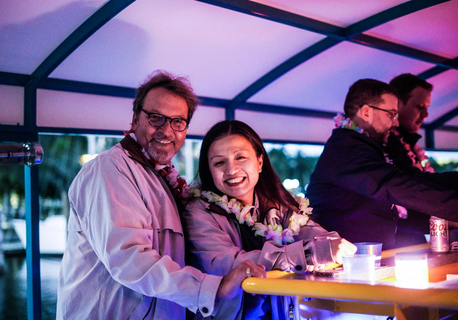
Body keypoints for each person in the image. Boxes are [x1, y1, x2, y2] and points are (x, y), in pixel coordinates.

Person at [56, 71, 266, 319]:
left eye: (178, 121)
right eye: (156, 118)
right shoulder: (110, 170)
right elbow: (130, 259)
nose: (167, 131)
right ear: (135, 119)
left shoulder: (162, 179)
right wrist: (214, 288)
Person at [183, 120, 356, 320]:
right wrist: (309, 254)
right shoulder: (199, 212)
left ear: (259, 162)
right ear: (209, 170)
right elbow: (228, 264)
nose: (231, 170)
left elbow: (318, 236)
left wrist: (333, 245)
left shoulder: (279, 205)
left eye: (240, 157)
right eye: (219, 162)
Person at [306, 78, 458, 250]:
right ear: (366, 112)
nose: (396, 123)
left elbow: (413, 179)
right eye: (391, 114)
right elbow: (394, 186)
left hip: (370, 256)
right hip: (345, 262)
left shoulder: (368, 145)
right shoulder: (346, 148)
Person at [385, 73, 458, 247]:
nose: (426, 114)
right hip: (393, 242)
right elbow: (411, 185)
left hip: (414, 238)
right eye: (419, 106)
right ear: (397, 103)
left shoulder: (407, 143)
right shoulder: (385, 142)